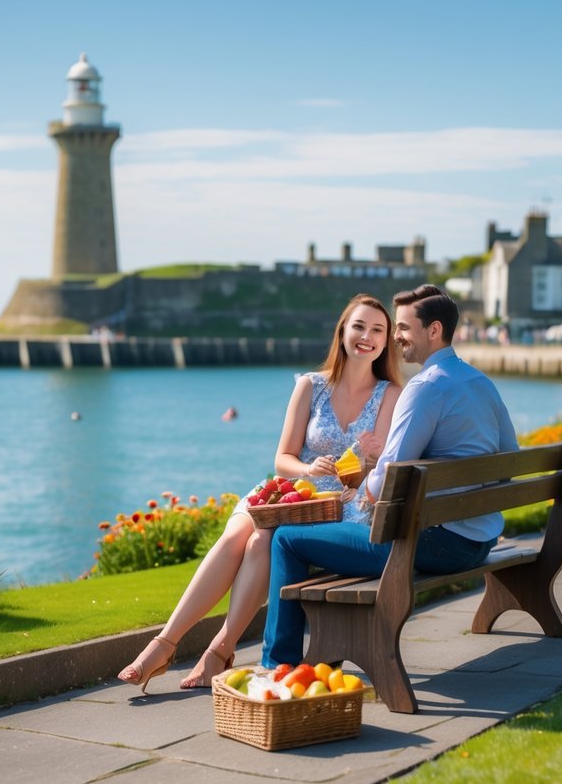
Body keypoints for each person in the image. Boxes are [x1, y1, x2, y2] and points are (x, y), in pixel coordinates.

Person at [117, 294, 402, 692]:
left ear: (386, 340)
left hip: (338, 507)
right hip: (289, 492)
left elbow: (376, 465)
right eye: (359, 326)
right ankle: (164, 644)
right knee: (239, 533)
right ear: (342, 331)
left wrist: (357, 462)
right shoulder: (310, 386)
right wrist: (309, 467)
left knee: (260, 543)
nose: (366, 337)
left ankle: (218, 650)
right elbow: (283, 456)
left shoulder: (390, 395)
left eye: (377, 330)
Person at [261, 284, 518, 669]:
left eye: (402, 328)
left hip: (430, 545)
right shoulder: (480, 382)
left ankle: (277, 665)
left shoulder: (425, 388)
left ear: (433, 331)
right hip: (481, 539)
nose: (396, 338)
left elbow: (386, 480)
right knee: (317, 537)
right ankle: (313, 659)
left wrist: (359, 486)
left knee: (286, 539)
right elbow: (510, 460)